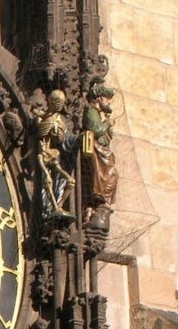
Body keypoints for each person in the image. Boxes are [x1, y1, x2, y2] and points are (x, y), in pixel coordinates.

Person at [82, 81, 119, 224]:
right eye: (106, 98)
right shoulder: (91, 111)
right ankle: (99, 202)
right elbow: (96, 130)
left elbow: (104, 136)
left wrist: (109, 129)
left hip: (102, 151)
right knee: (110, 174)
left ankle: (101, 202)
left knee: (113, 175)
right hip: (96, 151)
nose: (109, 102)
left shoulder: (98, 113)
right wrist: (106, 124)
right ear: (98, 98)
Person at [36, 89, 75, 220]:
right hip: (44, 156)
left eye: (61, 102)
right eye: (56, 102)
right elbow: (41, 140)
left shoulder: (58, 120)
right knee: (48, 181)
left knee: (71, 181)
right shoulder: (46, 120)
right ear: (51, 102)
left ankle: (59, 206)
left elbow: (60, 139)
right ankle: (54, 207)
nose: (59, 104)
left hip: (55, 156)